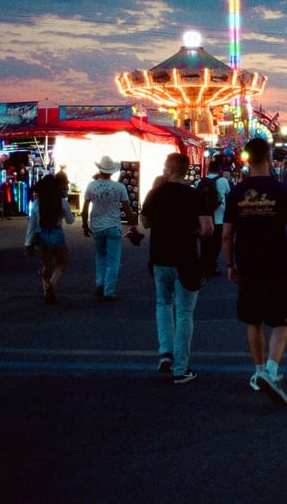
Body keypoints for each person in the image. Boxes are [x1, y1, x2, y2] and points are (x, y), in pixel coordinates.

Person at [223, 137, 287, 407]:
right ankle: (271, 369)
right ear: (269, 157)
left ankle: (258, 370)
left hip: (248, 264)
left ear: (247, 158)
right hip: (276, 263)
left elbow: (227, 234)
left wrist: (230, 264)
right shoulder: (281, 191)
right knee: (281, 322)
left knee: (253, 320)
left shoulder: (237, 191)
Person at [141, 153, 213, 385]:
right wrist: (194, 233)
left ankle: (166, 353)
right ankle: (180, 368)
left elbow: (146, 222)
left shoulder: (156, 193)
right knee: (184, 313)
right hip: (186, 259)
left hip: (160, 257)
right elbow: (207, 228)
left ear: (170, 168)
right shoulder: (195, 195)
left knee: (163, 304)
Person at [82, 156, 137, 301]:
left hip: (97, 226)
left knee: (101, 256)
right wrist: (133, 224)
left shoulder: (91, 186)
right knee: (113, 259)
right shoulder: (119, 187)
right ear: (112, 172)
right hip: (113, 226)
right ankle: (109, 289)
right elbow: (127, 207)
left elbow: (85, 207)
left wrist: (84, 225)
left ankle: (100, 283)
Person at [24, 174, 75, 303]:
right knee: (62, 263)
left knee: (47, 264)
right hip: (57, 233)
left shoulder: (37, 204)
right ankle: (51, 285)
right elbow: (70, 220)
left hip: (42, 234)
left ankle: (46, 290)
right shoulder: (62, 202)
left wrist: (28, 243)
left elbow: (32, 224)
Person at [197, 161, 230, 280]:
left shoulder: (200, 181)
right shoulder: (223, 181)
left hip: (204, 218)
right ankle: (211, 266)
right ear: (219, 169)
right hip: (219, 217)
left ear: (208, 169)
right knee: (216, 245)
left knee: (205, 243)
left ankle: (203, 265)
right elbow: (228, 194)